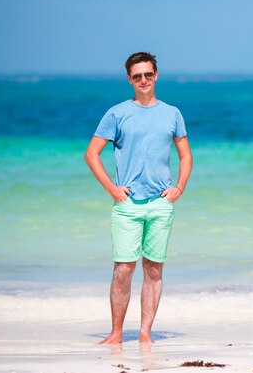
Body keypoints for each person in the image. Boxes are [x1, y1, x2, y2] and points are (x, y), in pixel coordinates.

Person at [85, 52, 193, 344]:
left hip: (161, 203)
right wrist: (111, 187)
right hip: (127, 204)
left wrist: (179, 187)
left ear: (156, 75)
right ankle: (116, 333)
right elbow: (91, 153)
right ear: (129, 79)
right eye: (137, 76)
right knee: (123, 269)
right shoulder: (117, 113)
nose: (143, 80)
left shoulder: (172, 113)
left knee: (154, 269)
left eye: (148, 74)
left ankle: (145, 333)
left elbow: (185, 155)